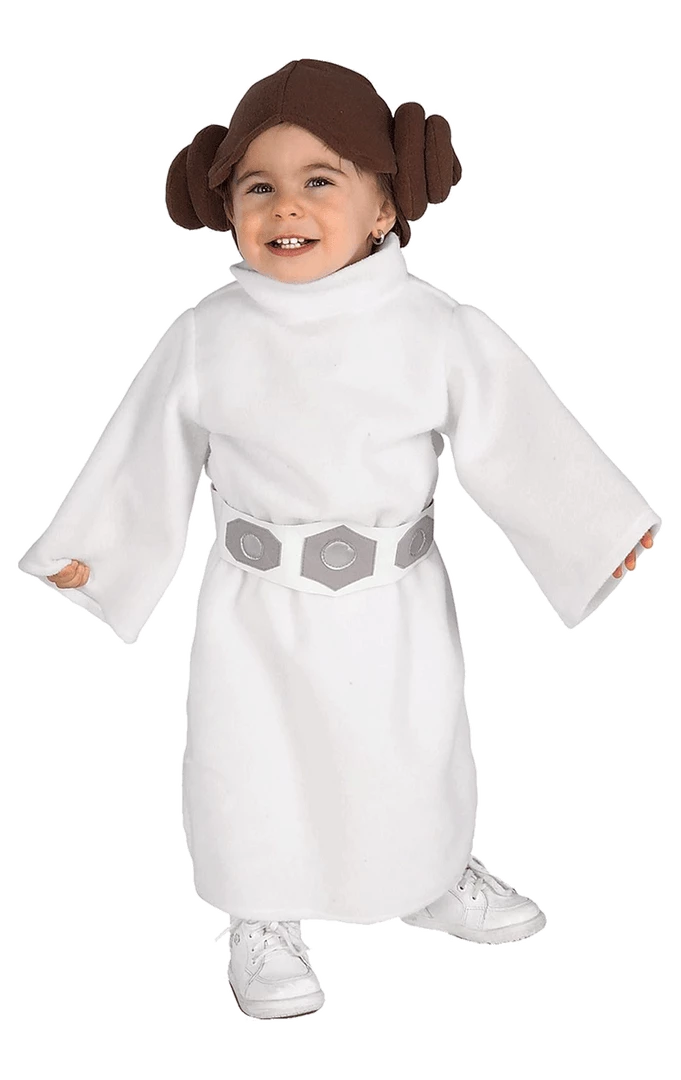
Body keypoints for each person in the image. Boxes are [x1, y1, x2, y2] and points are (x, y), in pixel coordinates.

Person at [18, 59, 660, 1019]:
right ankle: (261, 915)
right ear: (226, 207)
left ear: (383, 205)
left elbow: (517, 435)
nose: (287, 206)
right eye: (258, 186)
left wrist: (592, 529)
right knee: (255, 759)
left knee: (410, 743)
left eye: (319, 180)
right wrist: (97, 548)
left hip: (393, 597)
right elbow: (144, 447)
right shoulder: (207, 335)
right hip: (257, 606)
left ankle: (429, 871)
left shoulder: (435, 330)